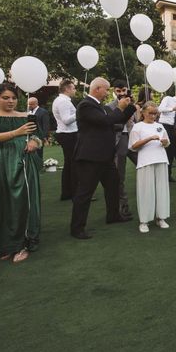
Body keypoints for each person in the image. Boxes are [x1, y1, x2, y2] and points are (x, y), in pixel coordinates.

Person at [0, 83, 43, 262]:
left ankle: (23, 245)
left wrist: (35, 143)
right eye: (5, 97)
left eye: (13, 97)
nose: (10, 101)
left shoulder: (26, 116)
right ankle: (6, 245)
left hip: (23, 161)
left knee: (22, 201)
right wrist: (17, 132)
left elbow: (38, 136)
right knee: (0, 202)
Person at [70, 77, 136, 240]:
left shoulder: (99, 106)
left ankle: (113, 215)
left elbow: (117, 121)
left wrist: (131, 107)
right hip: (91, 156)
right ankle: (77, 228)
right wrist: (120, 108)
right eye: (106, 90)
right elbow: (107, 120)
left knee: (113, 184)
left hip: (105, 156)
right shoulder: (86, 105)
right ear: (97, 89)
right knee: (85, 193)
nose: (108, 93)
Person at [128, 101, 171, 233]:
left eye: (155, 113)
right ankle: (144, 221)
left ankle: (161, 217)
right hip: (145, 161)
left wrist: (165, 142)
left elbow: (167, 143)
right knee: (146, 191)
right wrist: (149, 139)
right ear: (143, 112)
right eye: (150, 113)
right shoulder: (137, 127)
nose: (153, 116)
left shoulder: (160, 126)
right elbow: (133, 146)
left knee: (162, 189)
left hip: (161, 159)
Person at [107, 80, 137, 219]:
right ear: (114, 91)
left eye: (123, 90)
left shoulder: (133, 104)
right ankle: (123, 207)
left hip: (135, 140)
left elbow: (136, 123)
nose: (121, 93)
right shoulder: (109, 107)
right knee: (120, 176)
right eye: (118, 91)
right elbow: (112, 125)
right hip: (119, 141)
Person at [52, 79, 78, 201]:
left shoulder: (62, 100)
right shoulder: (63, 102)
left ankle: (68, 192)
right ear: (67, 89)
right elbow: (66, 120)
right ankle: (73, 192)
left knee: (69, 164)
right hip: (68, 134)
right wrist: (80, 113)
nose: (75, 90)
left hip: (67, 134)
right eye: (73, 88)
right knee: (73, 164)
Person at [158, 87, 176, 181]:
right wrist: (173, 108)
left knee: (171, 151)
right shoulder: (168, 98)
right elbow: (160, 109)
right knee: (165, 150)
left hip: (172, 128)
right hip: (164, 126)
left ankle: (168, 176)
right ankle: (162, 175)